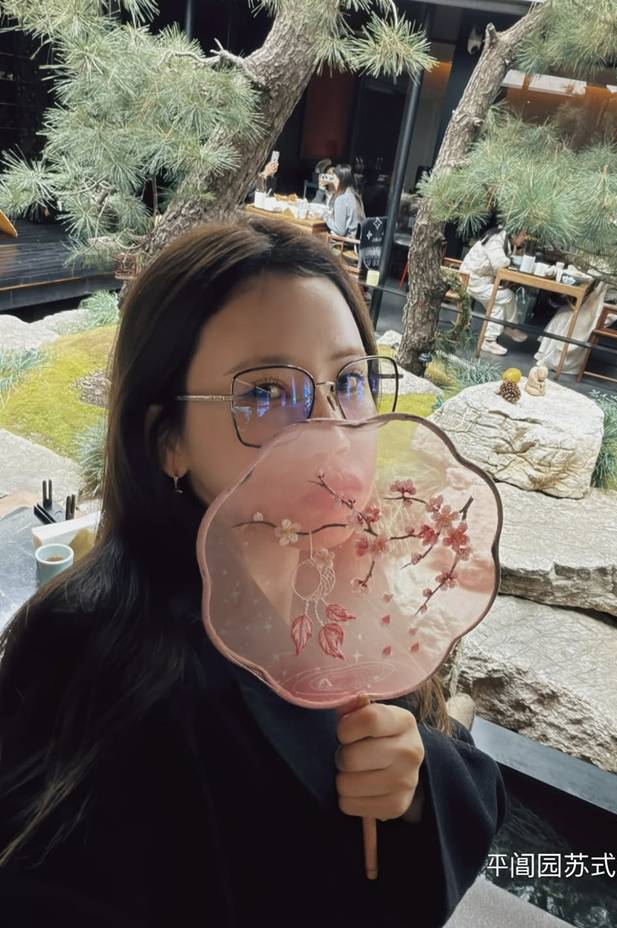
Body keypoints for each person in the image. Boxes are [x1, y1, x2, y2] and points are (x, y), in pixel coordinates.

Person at [0, 219, 506, 928]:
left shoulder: (360, 581)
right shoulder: (83, 656)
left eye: (350, 381)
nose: (334, 430)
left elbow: (462, 781)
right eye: (267, 393)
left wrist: (418, 782)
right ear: (167, 440)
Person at [460, 226, 529, 356]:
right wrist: (511, 260)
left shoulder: (505, 240)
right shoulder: (496, 239)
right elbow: (499, 263)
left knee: (498, 305)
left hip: (482, 281)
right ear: (514, 232)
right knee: (508, 295)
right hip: (473, 280)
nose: (524, 238)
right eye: (523, 234)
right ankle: (511, 327)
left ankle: (489, 341)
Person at [325, 163, 366, 238]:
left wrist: (326, 217)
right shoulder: (355, 195)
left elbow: (340, 230)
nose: (333, 182)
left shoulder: (342, 199)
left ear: (342, 181)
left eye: (334, 179)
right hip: (358, 241)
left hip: (347, 242)